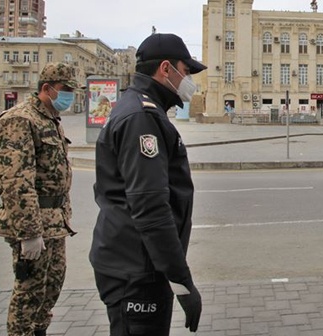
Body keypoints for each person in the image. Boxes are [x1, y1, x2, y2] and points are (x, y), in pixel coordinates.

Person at [90, 33, 206, 335]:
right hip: (136, 272)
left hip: (137, 263)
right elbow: (151, 207)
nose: (189, 78)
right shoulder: (142, 117)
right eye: (187, 70)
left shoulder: (142, 108)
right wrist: (183, 282)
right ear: (166, 69)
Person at [0, 62, 78, 336]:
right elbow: (15, 180)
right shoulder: (20, 120)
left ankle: (39, 331)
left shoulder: (49, 118)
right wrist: (29, 232)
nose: (69, 96)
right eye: (65, 90)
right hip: (34, 224)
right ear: (46, 88)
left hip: (54, 223)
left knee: (51, 286)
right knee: (29, 293)